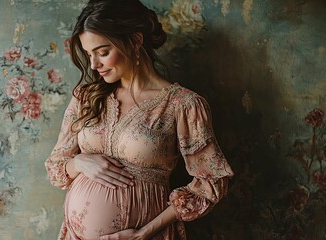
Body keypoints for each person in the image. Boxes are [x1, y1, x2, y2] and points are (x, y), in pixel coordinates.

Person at [45, 0, 234, 239]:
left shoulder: (182, 105)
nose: (94, 64)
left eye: (103, 52)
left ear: (135, 41)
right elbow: (56, 165)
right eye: (88, 54)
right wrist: (80, 162)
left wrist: (144, 233)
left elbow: (212, 181)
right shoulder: (86, 98)